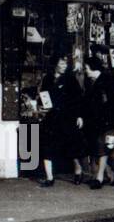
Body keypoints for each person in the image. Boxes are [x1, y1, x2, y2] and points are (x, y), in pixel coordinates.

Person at [36, 55, 86, 187]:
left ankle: (78, 170)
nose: (64, 66)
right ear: (55, 64)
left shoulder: (70, 79)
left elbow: (78, 98)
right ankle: (49, 177)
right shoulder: (48, 79)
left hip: (67, 117)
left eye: (65, 64)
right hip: (52, 117)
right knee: (47, 146)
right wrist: (43, 105)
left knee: (70, 147)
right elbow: (44, 95)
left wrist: (79, 115)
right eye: (61, 64)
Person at [80, 56, 114, 189]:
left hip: (108, 120)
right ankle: (112, 173)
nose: (85, 71)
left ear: (93, 68)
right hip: (95, 122)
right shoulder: (90, 82)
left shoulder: (108, 80)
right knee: (99, 149)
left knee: (102, 149)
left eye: (86, 68)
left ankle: (99, 178)